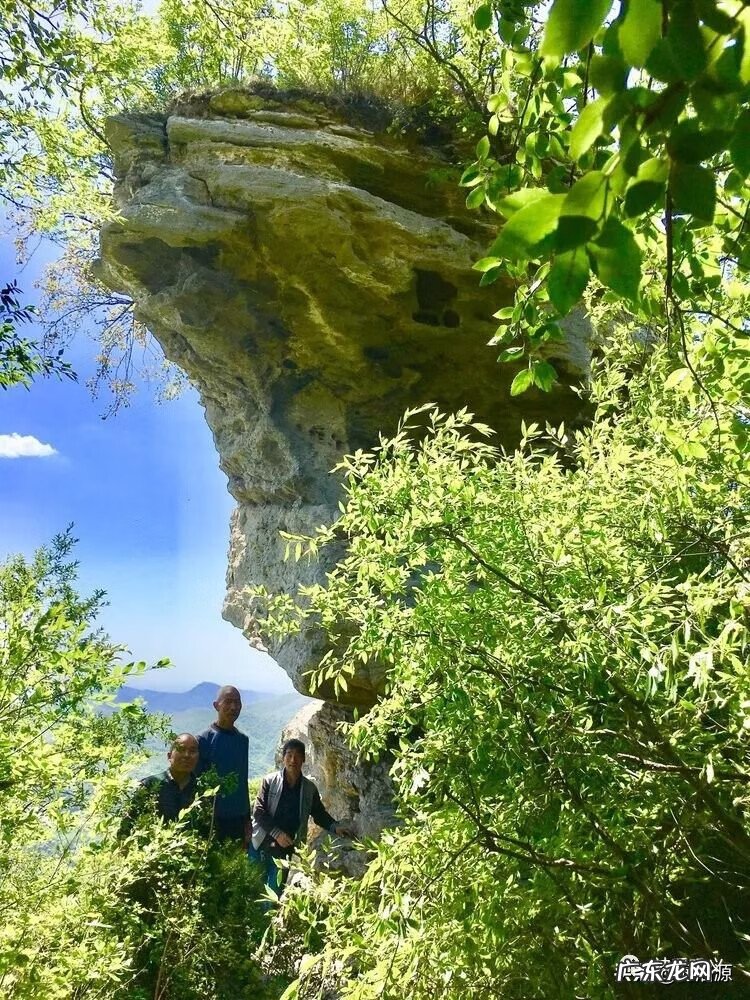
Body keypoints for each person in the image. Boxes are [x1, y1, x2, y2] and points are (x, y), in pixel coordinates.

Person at [250, 738, 352, 896]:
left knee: (273, 896)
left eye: (298, 755)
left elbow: (319, 813)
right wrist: (277, 834)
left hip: (284, 850)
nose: (293, 760)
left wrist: (334, 827)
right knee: (251, 889)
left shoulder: (309, 789)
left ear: (304, 759)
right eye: (289, 755)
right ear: (283, 757)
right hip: (260, 843)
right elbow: (258, 811)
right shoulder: (270, 782)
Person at [196, 685, 250, 843]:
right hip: (212, 819)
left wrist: (247, 818)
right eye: (228, 701)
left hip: (238, 819)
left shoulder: (242, 740)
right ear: (216, 705)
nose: (233, 707)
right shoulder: (203, 740)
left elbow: (243, 780)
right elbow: (196, 782)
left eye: (237, 702)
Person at [120, 732, 199, 833]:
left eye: (192, 751)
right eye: (181, 749)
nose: (187, 755)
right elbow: (127, 826)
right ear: (169, 756)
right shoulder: (149, 785)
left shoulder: (202, 790)